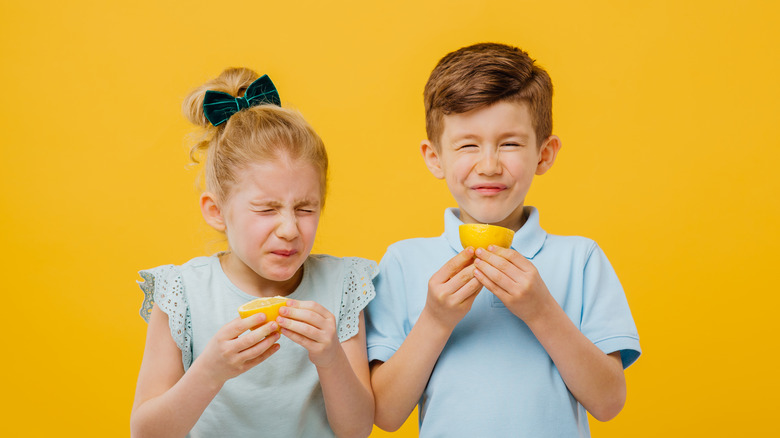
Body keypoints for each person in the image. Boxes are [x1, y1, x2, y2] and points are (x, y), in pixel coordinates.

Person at [365, 43, 641, 437]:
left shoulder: (581, 259)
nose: (490, 165)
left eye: (510, 143)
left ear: (544, 154)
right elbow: (386, 415)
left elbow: (609, 401)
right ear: (434, 157)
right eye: (467, 145)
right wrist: (435, 320)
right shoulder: (403, 261)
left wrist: (541, 310)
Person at [131, 68, 375, 438]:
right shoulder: (182, 292)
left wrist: (330, 358)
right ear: (216, 211)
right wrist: (211, 371)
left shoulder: (342, 286)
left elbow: (357, 430)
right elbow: (146, 433)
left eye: (306, 208)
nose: (290, 229)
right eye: (266, 209)